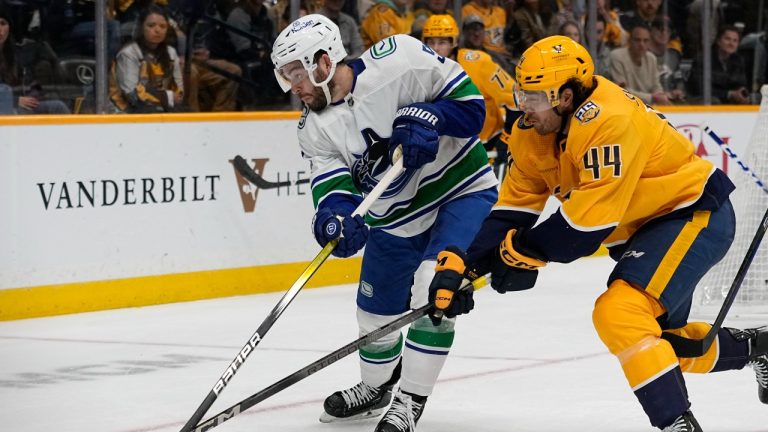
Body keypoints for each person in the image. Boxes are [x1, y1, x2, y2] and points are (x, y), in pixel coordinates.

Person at [427, 35, 768, 431]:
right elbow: (512, 210)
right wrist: (464, 264)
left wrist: (520, 252)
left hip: (691, 214)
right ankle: (758, 347)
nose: (524, 106)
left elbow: (584, 227)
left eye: (534, 97)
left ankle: (677, 424)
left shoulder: (609, 120)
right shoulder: (530, 131)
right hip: (646, 231)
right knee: (667, 346)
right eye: (522, 93)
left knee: (619, 312)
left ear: (566, 96)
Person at [271, 14, 498, 432]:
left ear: (324, 62)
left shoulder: (401, 60)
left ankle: (410, 400)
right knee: (373, 316)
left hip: (459, 193)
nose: (294, 88)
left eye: (297, 75)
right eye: (287, 78)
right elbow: (333, 187)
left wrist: (431, 116)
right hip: (395, 219)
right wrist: (334, 220)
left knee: (432, 287)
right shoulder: (313, 128)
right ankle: (376, 388)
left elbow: (472, 111)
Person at [421, 14, 519, 176]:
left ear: (453, 42)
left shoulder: (479, 63)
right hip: (447, 152)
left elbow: (516, 98)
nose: (436, 48)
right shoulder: (421, 70)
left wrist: (507, 138)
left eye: (442, 42)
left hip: (488, 147)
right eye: (431, 42)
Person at [110, 5, 184, 113]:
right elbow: (132, 95)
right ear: (141, 28)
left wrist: (170, 98)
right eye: (151, 25)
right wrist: (168, 97)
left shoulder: (171, 53)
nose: (157, 30)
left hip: (161, 108)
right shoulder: (128, 53)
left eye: (163, 26)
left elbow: (179, 94)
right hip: (125, 111)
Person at [0, 8, 71, 115]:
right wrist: (14, 100)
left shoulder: (16, 54)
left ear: (9, 27)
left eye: (3, 23)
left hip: (20, 104)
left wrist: (34, 92)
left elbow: (27, 83)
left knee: (57, 107)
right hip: (8, 107)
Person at [610, 23, 673, 105]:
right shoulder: (617, 56)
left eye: (645, 41)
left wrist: (660, 95)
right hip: (624, 106)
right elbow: (622, 91)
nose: (641, 44)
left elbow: (656, 86)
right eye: (637, 40)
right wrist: (653, 98)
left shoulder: (651, 58)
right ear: (629, 40)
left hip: (648, 108)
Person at [688, 25, 750, 105]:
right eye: (727, 39)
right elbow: (700, 89)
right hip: (702, 101)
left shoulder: (738, 60)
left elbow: (741, 83)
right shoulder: (703, 59)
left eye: (735, 41)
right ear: (718, 41)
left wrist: (742, 93)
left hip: (729, 100)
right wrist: (729, 94)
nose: (731, 43)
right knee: (714, 101)